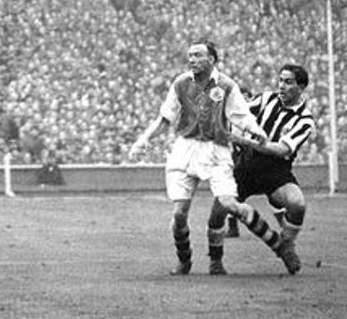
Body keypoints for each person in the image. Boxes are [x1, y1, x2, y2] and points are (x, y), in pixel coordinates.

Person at [128, 38, 301, 276]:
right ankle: (184, 260)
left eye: (198, 55)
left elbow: (241, 114)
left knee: (230, 204)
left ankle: (279, 246)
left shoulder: (226, 85)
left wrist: (256, 130)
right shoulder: (180, 83)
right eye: (190, 55)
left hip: (216, 149)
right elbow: (164, 118)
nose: (192, 60)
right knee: (179, 214)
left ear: (212, 59)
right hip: (185, 149)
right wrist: (144, 139)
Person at [230, 64, 316, 268]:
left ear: (301, 87)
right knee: (219, 213)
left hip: (275, 170)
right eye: (280, 81)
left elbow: (282, 150)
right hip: (247, 165)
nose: (281, 86)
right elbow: (238, 112)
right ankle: (215, 260)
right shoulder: (267, 98)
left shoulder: (305, 120)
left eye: (288, 82)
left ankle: (286, 246)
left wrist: (245, 141)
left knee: (297, 205)